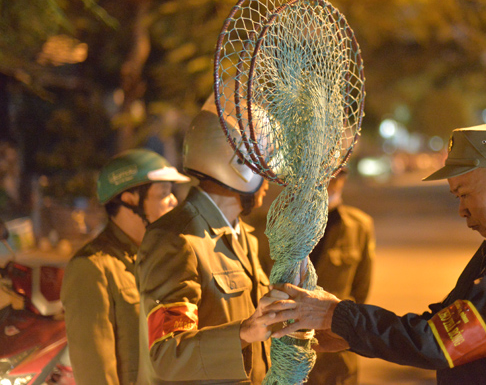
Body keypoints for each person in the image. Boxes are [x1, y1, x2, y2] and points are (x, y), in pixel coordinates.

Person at [266, 124, 486, 384]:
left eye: (465, 194)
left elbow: (443, 342)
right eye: (456, 198)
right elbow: (445, 323)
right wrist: (351, 334)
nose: (462, 210)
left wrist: (338, 317)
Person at [135, 107, 284, 384]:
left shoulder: (243, 236)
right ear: (235, 163)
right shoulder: (176, 239)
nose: (270, 176)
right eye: (262, 164)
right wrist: (243, 332)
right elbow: (167, 354)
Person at [61, 149, 191, 385]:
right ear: (130, 200)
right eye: (164, 194)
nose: (174, 201)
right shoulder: (92, 268)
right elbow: (95, 373)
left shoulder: (161, 257)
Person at [306, 168, 375, 385]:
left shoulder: (359, 226)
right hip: (286, 352)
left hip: (335, 357)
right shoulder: (276, 224)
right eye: (322, 170)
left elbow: (360, 292)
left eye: (338, 173)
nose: (329, 180)